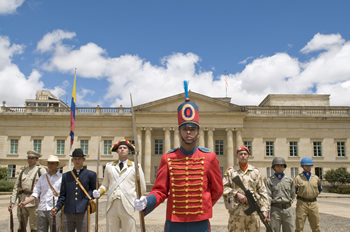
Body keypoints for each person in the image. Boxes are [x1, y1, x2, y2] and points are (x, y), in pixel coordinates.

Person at [134, 86, 223, 232]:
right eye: (185, 129)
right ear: (179, 132)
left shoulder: (209, 157)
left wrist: (202, 206)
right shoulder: (168, 158)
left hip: (200, 222)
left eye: (193, 129)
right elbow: (160, 190)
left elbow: (217, 190)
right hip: (174, 222)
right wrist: (147, 201)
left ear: (198, 133)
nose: (188, 132)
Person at [92, 139, 146, 232]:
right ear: (117, 150)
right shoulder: (109, 166)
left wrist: (139, 199)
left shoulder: (136, 166)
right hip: (112, 204)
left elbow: (142, 188)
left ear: (129, 151)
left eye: (125, 148)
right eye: (120, 148)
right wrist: (99, 191)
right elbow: (105, 184)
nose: (122, 149)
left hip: (128, 204)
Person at [223, 145, 269, 232]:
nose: (243, 156)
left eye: (245, 154)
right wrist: (236, 193)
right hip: (236, 213)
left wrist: (264, 210)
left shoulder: (255, 171)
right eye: (240, 154)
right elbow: (223, 187)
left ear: (248, 155)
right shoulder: (230, 171)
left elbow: (262, 191)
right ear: (237, 156)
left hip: (253, 212)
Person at [51, 148, 97, 232]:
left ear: (83, 159)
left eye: (79, 159)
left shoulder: (91, 175)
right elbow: (62, 195)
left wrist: (91, 197)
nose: (77, 161)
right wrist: (57, 207)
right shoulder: (66, 176)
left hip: (83, 210)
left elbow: (93, 192)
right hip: (68, 211)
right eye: (75, 159)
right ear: (72, 160)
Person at [19, 155, 65, 232]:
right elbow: (35, 193)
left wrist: (58, 207)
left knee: (55, 230)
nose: (50, 165)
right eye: (49, 163)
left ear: (57, 164)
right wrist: (24, 203)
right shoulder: (42, 177)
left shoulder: (62, 177)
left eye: (52, 163)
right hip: (42, 208)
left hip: (54, 208)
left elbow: (63, 195)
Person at [8, 150, 47, 232]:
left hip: (35, 203)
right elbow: (16, 187)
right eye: (29, 158)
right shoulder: (22, 171)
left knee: (34, 227)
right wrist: (12, 202)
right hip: (22, 202)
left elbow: (46, 187)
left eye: (32, 158)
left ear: (37, 159)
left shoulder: (40, 170)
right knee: (21, 225)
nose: (30, 160)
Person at [266, 157, 295, 232]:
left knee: (290, 229)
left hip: (287, 210)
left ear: (284, 167)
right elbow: (268, 196)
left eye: (281, 166)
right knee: (274, 229)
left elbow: (292, 194)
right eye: (277, 166)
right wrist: (267, 212)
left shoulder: (289, 180)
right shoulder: (270, 180)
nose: (279, 168)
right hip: (275, 210)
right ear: (274, 167)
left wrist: (288, 202)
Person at [294, 157, 322, 232]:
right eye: (306, 165)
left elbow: (320, 189)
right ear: (302, 166)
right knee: (299, 225)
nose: (308, 167)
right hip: (302, 203)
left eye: (309, 165)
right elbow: (295, 190)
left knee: (316, 224)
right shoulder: (298, 178)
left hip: (313, 203)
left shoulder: (315, 178)